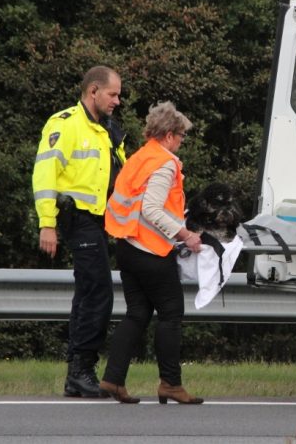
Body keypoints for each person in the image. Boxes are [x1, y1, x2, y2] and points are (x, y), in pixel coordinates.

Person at [99, 101, 204, 405]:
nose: (182, 141)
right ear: (170, 135)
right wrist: (186, 235)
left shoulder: (139, 157)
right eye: (182, 136)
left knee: (138, 314)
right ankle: (170, 383)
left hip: (127, 246)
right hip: (151, 250)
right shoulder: (165, 162)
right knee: (171, 314)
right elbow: (152, 209)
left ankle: (113, 379)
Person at [32, 66, 126, 398]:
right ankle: (82, 369)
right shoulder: (65, 124)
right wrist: (47, 223)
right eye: (113, 94)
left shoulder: (108, 130)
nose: (117, 100)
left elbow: (121, 179)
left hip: (101, 222)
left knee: (87, 293)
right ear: (93, 92)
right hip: (78, 220)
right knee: (99, 292)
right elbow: (44, 174)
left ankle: (77, 373)